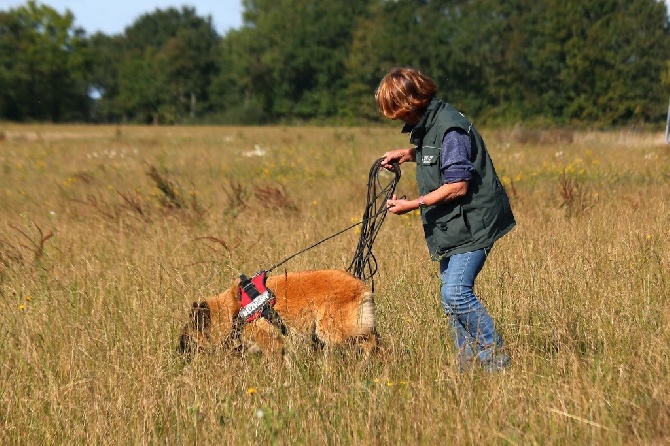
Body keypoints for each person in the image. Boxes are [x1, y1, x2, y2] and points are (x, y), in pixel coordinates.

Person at [376, 67, 515, 372]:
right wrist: (409, 153)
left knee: (455, 293)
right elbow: (437, 153)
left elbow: (458, 185)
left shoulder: (450, 127)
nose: (396, 118)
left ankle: (497, 362)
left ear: (412, 102)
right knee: (450, 300)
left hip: (473, 223)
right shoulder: (433, 123)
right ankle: (468, 365)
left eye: (396, 110)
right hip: (453, 224)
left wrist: (413, 204)